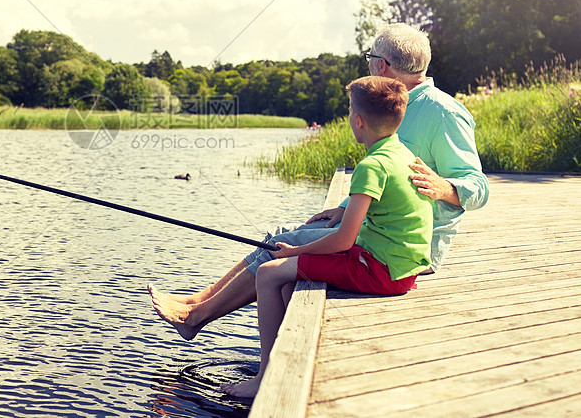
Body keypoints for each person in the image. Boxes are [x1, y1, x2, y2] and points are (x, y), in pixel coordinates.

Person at [147, 24, 489, 341]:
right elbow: (387, 179)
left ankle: (197, 317)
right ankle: (198, 302)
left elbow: (478, 188)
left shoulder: (443, 112)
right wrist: (343, 208)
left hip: (403, 248)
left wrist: (444, 188)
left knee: (286, 242)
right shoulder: (391, 104)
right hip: (374, 230)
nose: (368, 64)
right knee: (279, 233)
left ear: (381, 65)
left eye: (370, 58)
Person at [220, 76, 433, 398]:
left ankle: (264, 377)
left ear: (358, 121)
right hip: (401, 268)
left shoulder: (372, 165)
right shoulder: (403, 154)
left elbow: (343, 240)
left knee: (267, 274)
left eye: (350, 110)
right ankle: (282, 360)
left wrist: (294, 251)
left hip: (380, 270)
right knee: (289, 282)